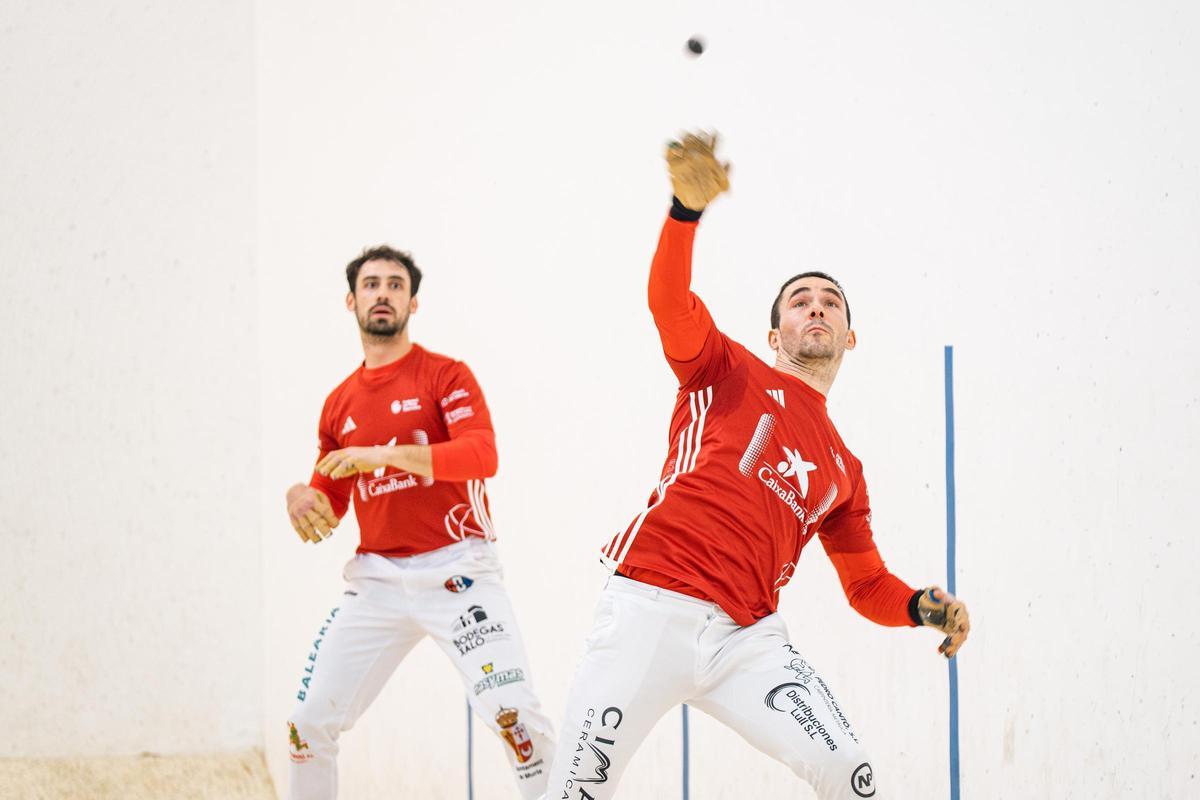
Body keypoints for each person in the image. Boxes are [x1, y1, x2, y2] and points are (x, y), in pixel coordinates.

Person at [540, 134, 971, 800]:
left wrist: (919, 606)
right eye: (800, 300)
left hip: (748, 643)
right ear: (775, 336)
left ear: (850, 337)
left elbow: (865, 586)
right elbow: (668, 302)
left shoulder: (844, 471)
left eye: (830, 301)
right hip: (649, 608)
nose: (817, 306)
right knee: (574, 793)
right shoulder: (725, 368)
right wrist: (685, 212)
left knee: (848, 774)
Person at [284, 245, 554, 800]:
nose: (383, 293)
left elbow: (483, 455)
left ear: (413, 302)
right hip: (377, 583)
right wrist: (298, 497)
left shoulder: (445, 376)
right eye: (371, 284)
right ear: (351, 300)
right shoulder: (339, 404)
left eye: (395, 285)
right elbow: (329, 502)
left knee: (516, 717)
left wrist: (382, 455)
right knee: (307, 724)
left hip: (460, 573)